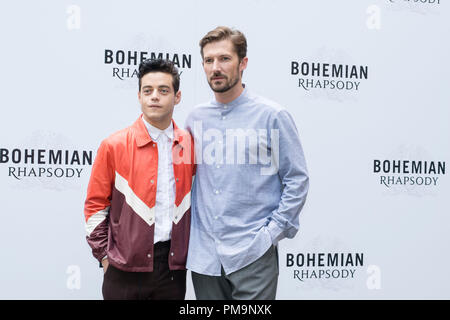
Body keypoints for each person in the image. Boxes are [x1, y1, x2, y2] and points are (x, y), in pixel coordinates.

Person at [185, 26, 309, 300]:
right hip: (205, 258)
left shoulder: (272, 116)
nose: (215, 67)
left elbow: (297, 179)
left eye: (224, 59)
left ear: (243, 63)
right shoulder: (194, 119)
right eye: (209, 60)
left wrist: (270, 234)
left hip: (252, 254)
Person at [84, 58, 195, 300]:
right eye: (148, 90)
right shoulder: (113, 145)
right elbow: (94, 208)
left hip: (172, 269)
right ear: (139, 96)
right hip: (123, 269)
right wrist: (104, 256)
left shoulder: (190, 145)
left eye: (163, 90)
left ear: (177, 97)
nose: (154, 96)